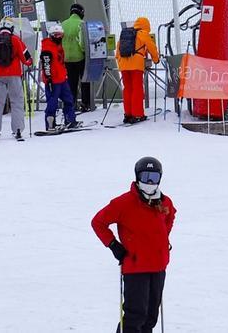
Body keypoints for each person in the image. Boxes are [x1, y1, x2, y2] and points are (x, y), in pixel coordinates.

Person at [91, 156, 176, 333]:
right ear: (137, 177)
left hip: (158, 266)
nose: (150, 182)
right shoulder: (124, 202)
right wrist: (114, 245)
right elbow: (98, 222)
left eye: (154, 177)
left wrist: (162, 240)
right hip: (136, 267)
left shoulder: (164, 202)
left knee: (151, 316)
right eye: (146, 177)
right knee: (135, 316)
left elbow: (169, 217)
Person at [0, 22, 32, 142]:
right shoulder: (16, 40)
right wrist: (29, 62)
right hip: (14, 75)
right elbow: (26, 58)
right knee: (17, 102)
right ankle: (18, 130)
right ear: (11, 29)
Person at [116, 17, 159, 124]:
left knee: (127, 89)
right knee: (137, 89)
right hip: (136, 65)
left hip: (123, 65)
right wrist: (156, 59)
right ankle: (137, 114)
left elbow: (118, 51)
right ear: (146, 25)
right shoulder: (143, 34)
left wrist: (121, 63)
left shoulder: (125, 34)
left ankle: (128, 114)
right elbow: (152, 47)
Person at [40, 23, 80, 131]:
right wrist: (48, 79)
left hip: (62, 78)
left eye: (61, 35)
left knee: (69, 99)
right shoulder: (47, 48)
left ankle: (70, 120)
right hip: (53, 81)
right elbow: (46, 65)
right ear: (52, 35)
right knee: (52, 103)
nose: (59, 37)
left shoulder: (59, 46)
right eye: (57, 35)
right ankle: (50, 124)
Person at [62, 3, 92, 113]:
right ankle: (85, 104)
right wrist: (84, 51)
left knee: (71, 83)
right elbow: (82, 42)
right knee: (85, 81)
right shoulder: (81, 24)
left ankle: (71, 104)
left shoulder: (63, 24)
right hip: (80, 57)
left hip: (67, 58)